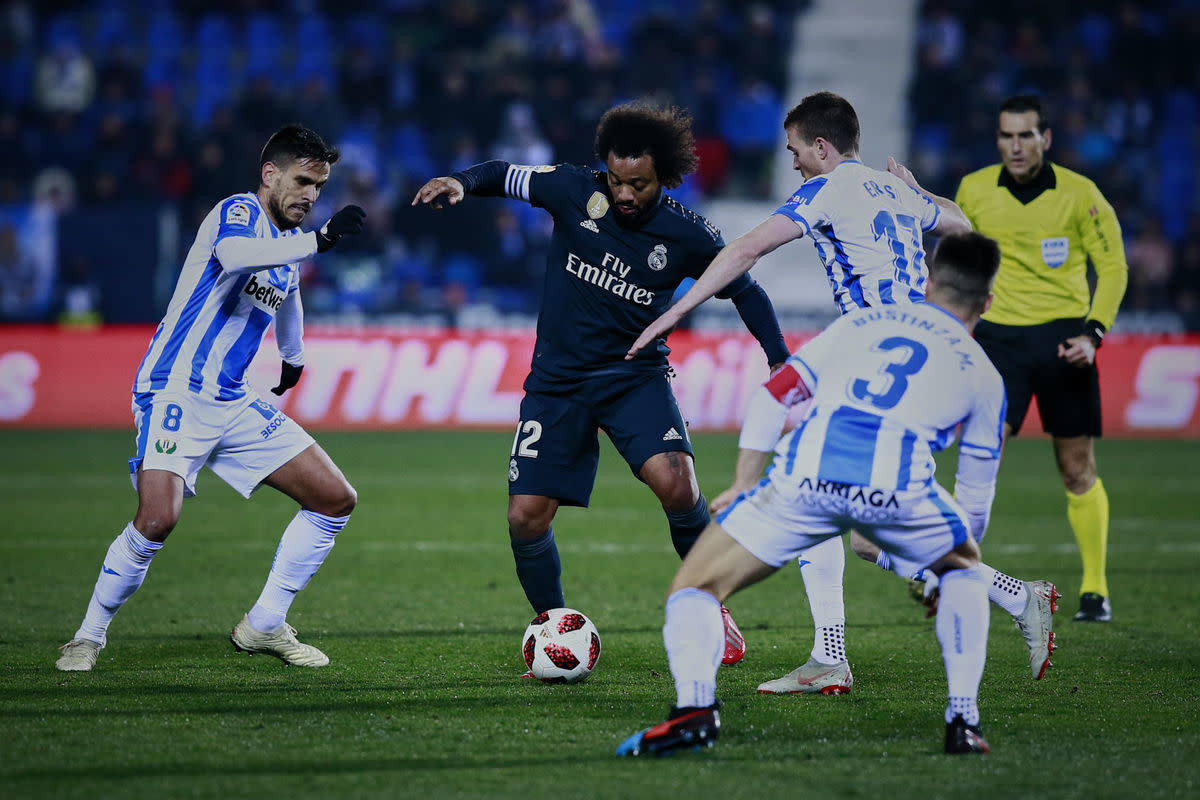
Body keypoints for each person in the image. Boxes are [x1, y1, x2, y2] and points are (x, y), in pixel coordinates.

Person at [628, 91, 1058, 692]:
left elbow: (747, 248)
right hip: (922, 358)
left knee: (810, 485)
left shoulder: (828, 189)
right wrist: (921, 193)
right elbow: (962, 225)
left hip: (875, 356)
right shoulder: (896, 191)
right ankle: (1012, 598)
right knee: (862, 537)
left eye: (796, 150)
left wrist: (678, 311)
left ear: (822, 147)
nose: (794, 163)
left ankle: (834, 656)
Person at [412, 102, 791, 669]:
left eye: (638, 184)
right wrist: (460, 182)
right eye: (616, 180)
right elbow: (502, 173)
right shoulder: (571, 188)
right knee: (525, 516)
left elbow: (746, 292)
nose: (624, 194)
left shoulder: (688, 234)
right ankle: (554, 628)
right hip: (557, 383)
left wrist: (780, 360)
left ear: (664, 175)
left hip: (633, 377)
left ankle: (711, 604)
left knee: (678, 484)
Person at [616, 231, 1007, 757]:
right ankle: (962, 721)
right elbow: (975, 503)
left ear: (930, 284)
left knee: (695, 587)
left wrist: (744, 482)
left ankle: (694, 714)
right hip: (897, 491)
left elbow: (774, 396)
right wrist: (948, 566)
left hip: (805, 481)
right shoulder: (984, 375)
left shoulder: (861, 323)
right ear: (987, 301)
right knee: (965, 571)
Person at [55, 124, 367, 671]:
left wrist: (293, 356)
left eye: (319, 187)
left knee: (334, 498)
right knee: (158, 519)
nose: (310, 195)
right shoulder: (237, 213)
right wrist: (319, 241)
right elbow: (237, 256)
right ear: (269, 174)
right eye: (302, 181)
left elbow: (288, 294)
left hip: (231, 399)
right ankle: (87, 636)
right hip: (175, 386)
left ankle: (264, 624)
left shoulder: (288, 246)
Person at [955, 94, 1128, 622]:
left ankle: (1095, 590)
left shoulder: (1081, 194)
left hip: (1064, 342)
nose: (1015, 146)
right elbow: (959, 264)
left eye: (1025, 135)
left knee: (1076, 468)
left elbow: (1113, 267)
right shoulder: (974, 190)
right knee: (981, 457)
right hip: (998, 343)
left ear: (1045, 139)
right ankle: (952, 574)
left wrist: (1093, 334)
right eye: (1006, 135)